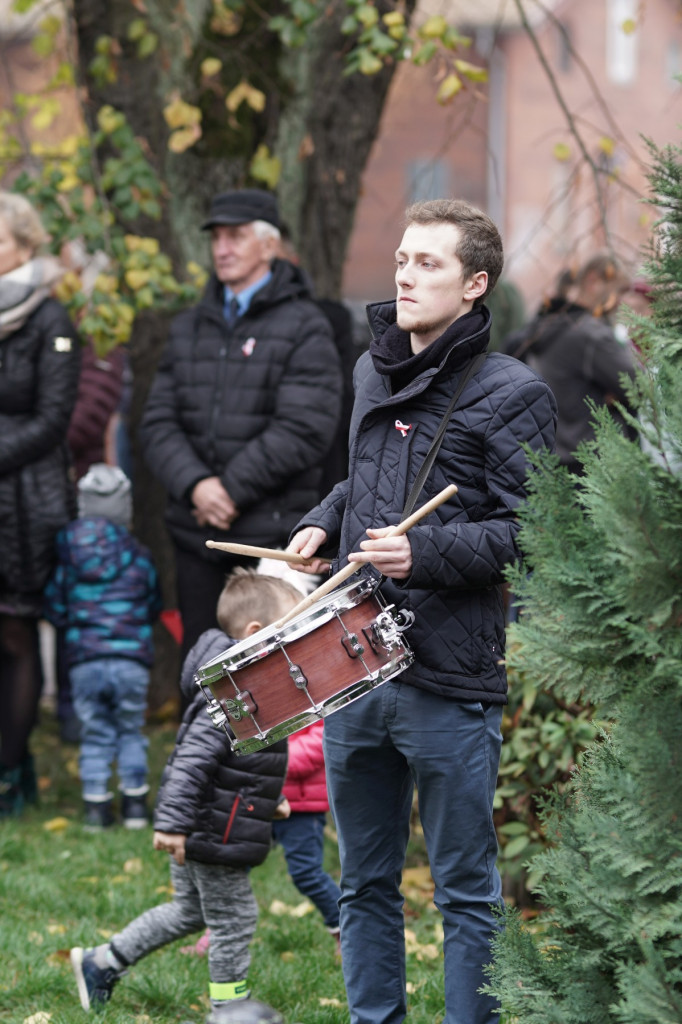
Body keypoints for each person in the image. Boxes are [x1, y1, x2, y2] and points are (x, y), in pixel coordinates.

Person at [286, 198, 558, 1024]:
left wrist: (428, 553)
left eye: (428, 263)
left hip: (449, 676)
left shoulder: (513, 392)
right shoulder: (374, 368)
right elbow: (364, 480)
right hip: (355, 665)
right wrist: (323, 519)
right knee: (364, 883)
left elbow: (532, 532)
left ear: (475, 284)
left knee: (464, 891)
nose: (405, 274)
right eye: (402, 259)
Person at [69, 569, 300, 1022]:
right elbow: (193, 760)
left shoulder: (245, 687)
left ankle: (102, 963)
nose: (296, 646)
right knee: (235, 922)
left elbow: (235, 766)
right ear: (255, 634)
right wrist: (172, 824)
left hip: (217, 819)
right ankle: (229, 1011)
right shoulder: (234, 695)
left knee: (188, 911)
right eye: (289, 633)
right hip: (212, 829)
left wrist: (267, 800)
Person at [139, 188, 342, 673]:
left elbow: (305, 427)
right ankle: (201, 753)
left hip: (270, 540)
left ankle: (274, 758)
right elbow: (158, 420)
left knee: (273, 677)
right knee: (201, 668)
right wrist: (196, 486)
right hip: (198, 535)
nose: (222, 248)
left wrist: (228, 489)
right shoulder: (189, 326)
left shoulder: (305, 325)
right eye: (217, 237)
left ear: (270, 246)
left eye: (237, 236)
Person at [0, 191, 81, 816]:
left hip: (27, 500)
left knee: (17, 634)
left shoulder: (52, 321)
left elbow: (54, 420)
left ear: (25, 247)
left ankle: (12, 769)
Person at [43, 463, 162, 829]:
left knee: (94, 729)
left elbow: (55, 604)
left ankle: (96, 807)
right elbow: (152, 602)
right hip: (131, 660)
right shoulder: (139, 554)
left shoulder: (68, 554)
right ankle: (136, 806)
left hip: (84, 660)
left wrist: (76, 629)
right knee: (130, 728)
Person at [505, 252, 636, 474]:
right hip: (591, 464)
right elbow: (638, 385)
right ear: (594, 281)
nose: (621, 302)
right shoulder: (591, 335)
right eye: (619, 290)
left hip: (548, 458)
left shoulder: (548, 326)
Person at [271, 719, 342, 951]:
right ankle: (220, 931)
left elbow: (319, 739)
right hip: (258, 798)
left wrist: (271, 760)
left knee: (306, 873)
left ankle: (346, 928)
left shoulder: (310, 689)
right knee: (232, 868)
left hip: (300, 807)